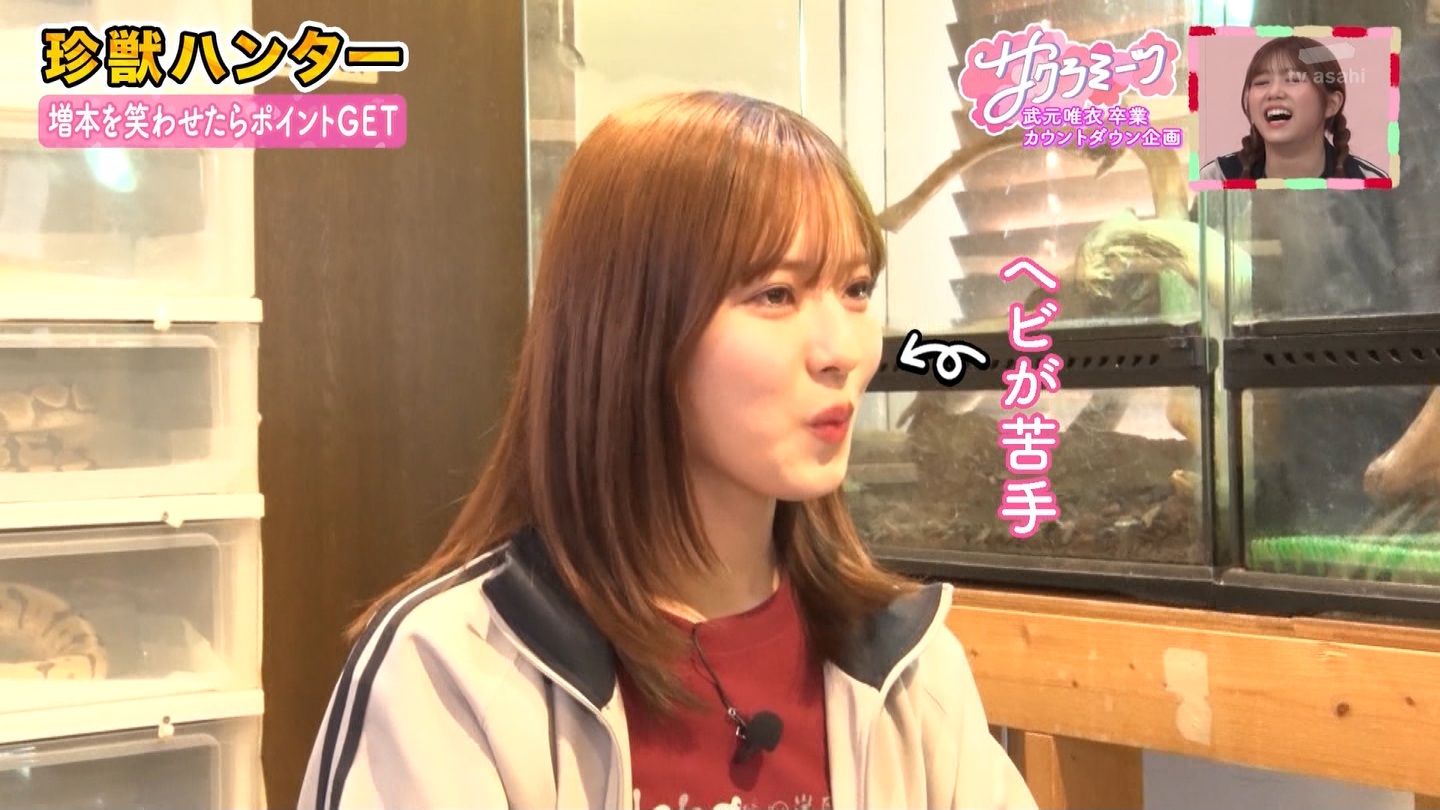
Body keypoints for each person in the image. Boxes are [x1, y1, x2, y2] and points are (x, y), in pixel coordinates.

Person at [295, 90, 1037, 810]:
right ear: (630, 326)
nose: (841, 349)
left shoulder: (909, 670)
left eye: (855, 288)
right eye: (776, 294)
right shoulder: (453, 674)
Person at [1198, 36, 1388, 180]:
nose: (1274, 92)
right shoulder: (1216, 177)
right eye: (1262, 82)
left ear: (1331, 104)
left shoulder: (1369, 181)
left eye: (1293, 80)